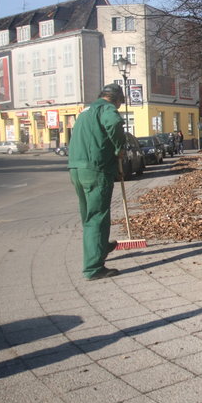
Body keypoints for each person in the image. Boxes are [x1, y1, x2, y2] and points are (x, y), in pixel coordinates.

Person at [68, 84, 127, 280]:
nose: (118, 107)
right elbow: (114, 123)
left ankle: (100, 246)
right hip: (95, 169)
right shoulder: (107, 109)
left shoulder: (86, 111)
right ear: (116, 99)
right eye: (120, 103)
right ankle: (93, 267)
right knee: (97, 217)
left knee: (88, 215)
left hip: (77, 168)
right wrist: (120, 147)